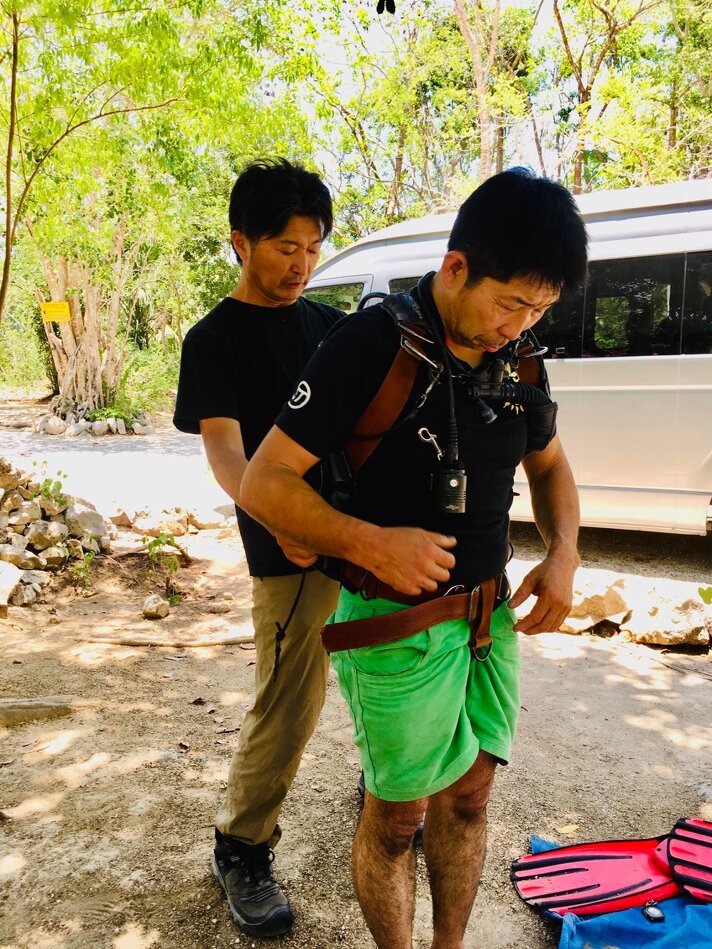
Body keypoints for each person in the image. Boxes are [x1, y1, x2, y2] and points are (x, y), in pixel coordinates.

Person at [239, 168, 589, 948]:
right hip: (391, 624)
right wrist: (367, 541)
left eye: (538, 310)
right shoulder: (370, 346)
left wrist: (565, 550)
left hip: (487, 620)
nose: (518, 325)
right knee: (398, 817)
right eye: (510, 303)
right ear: (456, 267)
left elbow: (551, 465)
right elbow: (265, 481)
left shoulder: (521, 357)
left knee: (471, 799)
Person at [173, 158, 342, 938]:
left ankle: (388, 794)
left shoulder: (332, 328)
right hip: (287, 556)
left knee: (387, 666)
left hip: (359, 535)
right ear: (241, 242)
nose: (301, 265)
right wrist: (281, 522)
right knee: (289, 703)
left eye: (311, 247)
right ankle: (241, 846)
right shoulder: (213, 340)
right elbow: (227, 455)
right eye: (284, 248)